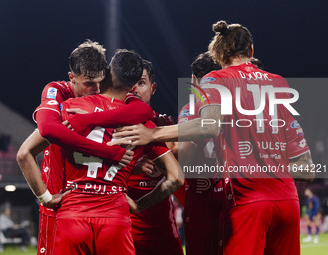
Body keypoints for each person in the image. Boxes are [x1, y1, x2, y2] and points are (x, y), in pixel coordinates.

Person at [110, 20, 315, 255]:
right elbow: (306, 170)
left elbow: (209, 128)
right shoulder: (279, 83)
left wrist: (153, 134)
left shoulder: (215, 81)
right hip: (287, 201)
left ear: (217, 55)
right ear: (251, 51)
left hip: (246, 200)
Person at [17, 40, 153, 255]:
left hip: (72, 208)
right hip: (68, 203)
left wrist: (90, 119)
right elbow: (47, 130)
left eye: (100, 81)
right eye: (89, 82)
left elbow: (144, 112)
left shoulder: (74, 109)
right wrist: (109, 153)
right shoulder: (58, 93)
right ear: (72, 78)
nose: (96, 89)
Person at [52, 49, 184, 255]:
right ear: (131, 86)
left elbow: (26, 151)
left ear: (106, 74)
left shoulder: (70, 107)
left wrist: (44, 196)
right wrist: (139, 205)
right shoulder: (144, 124)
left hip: (73, 211)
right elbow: (177, 178)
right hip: (115, 217)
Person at [126, 60, 183, 255]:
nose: (134, 89)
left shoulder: (164, 127)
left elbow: (181, 168)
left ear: (153, 88)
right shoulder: (106, 127)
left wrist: (169, 152)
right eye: (129, 82)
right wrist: (133, 166)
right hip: (122, 234)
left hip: (163, 234)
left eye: (141, 82)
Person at [177, 51, 223, 255]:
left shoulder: (192, 109)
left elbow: (185, 155)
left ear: (194, 80)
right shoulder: (240, 108)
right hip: (236, 200)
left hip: (203, 201)